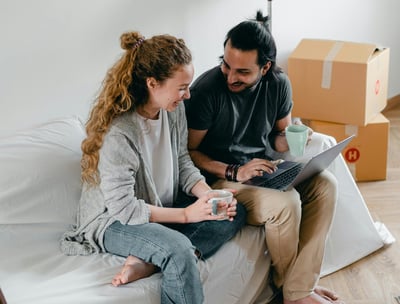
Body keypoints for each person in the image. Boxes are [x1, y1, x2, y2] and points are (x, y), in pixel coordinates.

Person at [60, 31, 246, 304]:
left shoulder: (173, 110)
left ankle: (149, 261)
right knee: (179, 250)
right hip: (113, 221)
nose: (188, 94)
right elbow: (123, 208)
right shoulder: (120, 132)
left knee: (233, 210)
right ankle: (159, 253)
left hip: (156, 205)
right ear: (152, 83)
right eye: (182, 87)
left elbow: (182, 160)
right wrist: (187, 215)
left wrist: (207, 195)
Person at [184, 11, 344, 304]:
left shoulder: (279, 84)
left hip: (262, 170)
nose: (231, 76)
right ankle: (292, 292)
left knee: (327, 186)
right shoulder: (208, 91)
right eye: (226, 65)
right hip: (221, 178)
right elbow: (189, 153)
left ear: (266, 67)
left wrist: (297, 136)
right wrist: (235, 171)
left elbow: (279, 140)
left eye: (242, 72)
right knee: (286, 204)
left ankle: (299, 288)